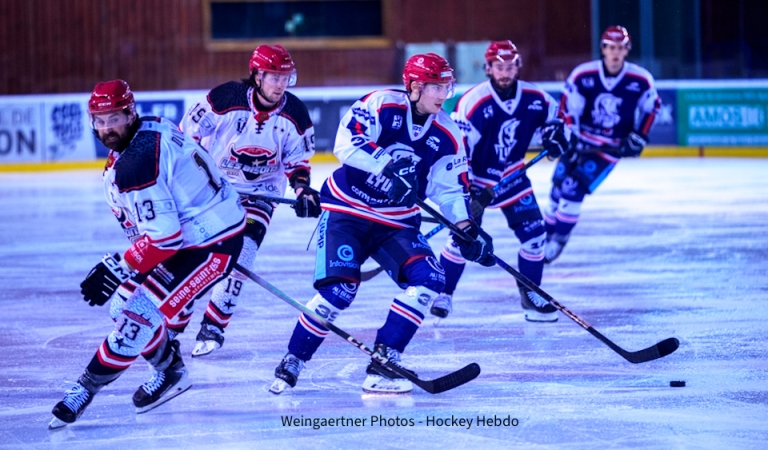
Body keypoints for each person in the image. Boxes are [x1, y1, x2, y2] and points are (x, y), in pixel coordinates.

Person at [269, 53, 495, 395]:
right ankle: (294, 358)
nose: (443, 94)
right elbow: (346, 144)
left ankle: (384, 360)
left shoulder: (447, 133)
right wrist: (387, 165)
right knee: (337, 293)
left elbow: (449, 189)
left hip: (397, 222)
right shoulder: (381, 105)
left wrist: (465, 228)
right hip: (348, 211)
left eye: (447, 86)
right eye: (436, 86)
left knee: (431, 278)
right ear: (414, 86)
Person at [49, 80, 245, 428]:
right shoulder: (151, 127)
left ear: (131, 113)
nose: (107, 129)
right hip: (190, 234)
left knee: (136, 318)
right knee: (120, 307)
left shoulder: (136, 164)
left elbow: (164, 237)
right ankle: (170, 370)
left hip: (211, 244)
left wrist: (119, 266)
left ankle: (85, 389)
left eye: (114, 119)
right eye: (100, 120)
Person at [178, 45, 319, 357]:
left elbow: (298, 161)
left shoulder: (296, 114)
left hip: (262, 194)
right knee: (197, 254)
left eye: (286, 77)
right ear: (256, 75)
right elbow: (186, 136)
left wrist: (302, 190)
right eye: (274, 77)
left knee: (244, 254)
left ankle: (214, 324)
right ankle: (175, 317)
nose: (280, 84)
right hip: (215, 190)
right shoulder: (224, 98)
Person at [432, 40, 572, 323]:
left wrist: (557, 136)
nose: (505, 72)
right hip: (474, 181)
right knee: (462, 238)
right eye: (499, 66)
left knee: (535, 237)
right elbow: (457, 149)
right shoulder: (474, 102)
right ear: (488, 68)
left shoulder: (535, 98)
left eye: (510, 66)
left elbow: (559, 119)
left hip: (512, 178)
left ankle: (531, 295)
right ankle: (444, 293)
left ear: (517, 66)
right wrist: (468, 190)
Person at [543, 26, 661, 263]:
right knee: (557, 189)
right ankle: (544, 238)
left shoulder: (640, 79)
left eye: (620, 48)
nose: (615, 53)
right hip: (578, 143)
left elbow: (652, 108)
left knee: (573, 190)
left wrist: (638, 136)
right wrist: (572, 134)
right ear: (603, 49)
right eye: (610, 47)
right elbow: (569, 107)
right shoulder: (582, 75)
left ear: (626, 50)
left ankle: (559, 239)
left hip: (608, 149)